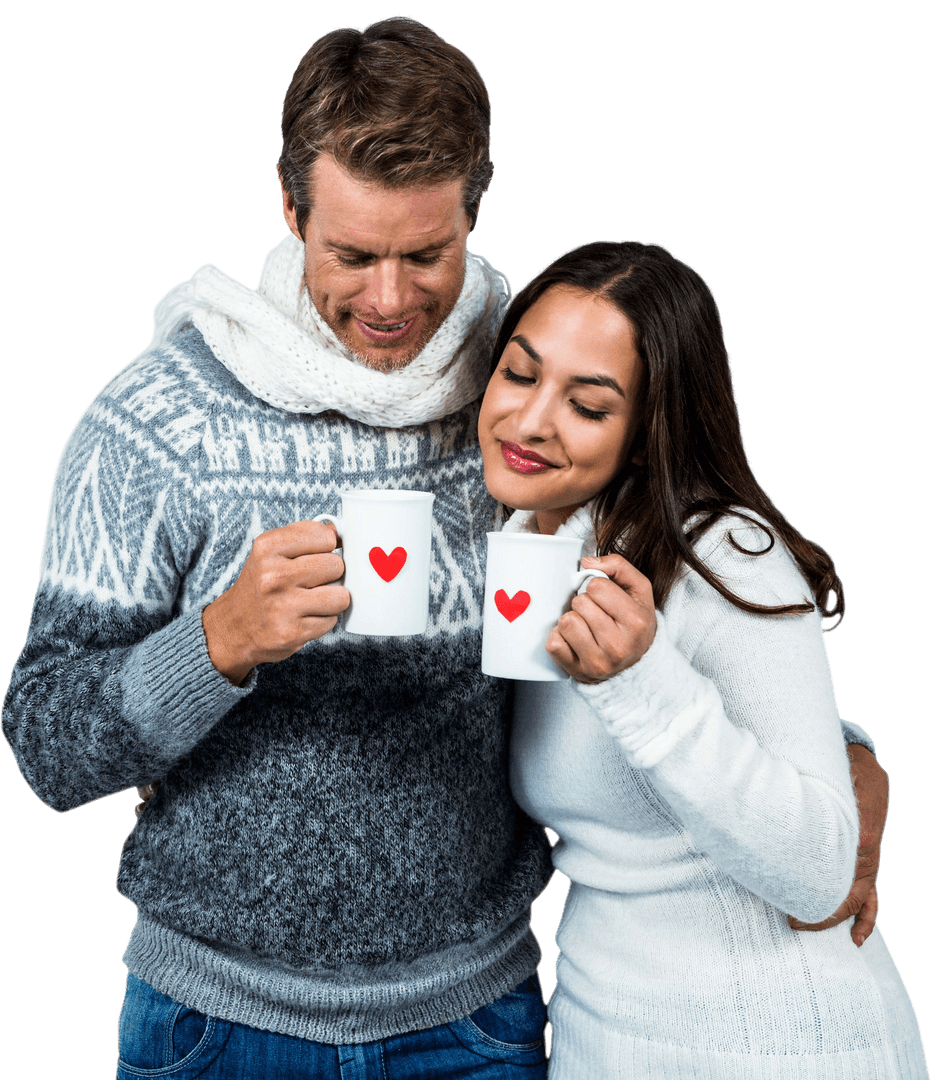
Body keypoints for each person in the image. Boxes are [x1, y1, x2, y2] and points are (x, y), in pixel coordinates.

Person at [1, 15, 887, 1078]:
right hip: (212, 1023)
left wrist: (841, 758)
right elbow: (48, 747)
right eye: (352, 254)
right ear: (288, 206)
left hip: (473, 1024)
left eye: (426, 253)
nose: (389, 299)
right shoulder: (155, 422)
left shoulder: (524, 389)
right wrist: (217, 643)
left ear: (475, 204)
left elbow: (678, 585)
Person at [477, 239, 928, 1077]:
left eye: (588, 403)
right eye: (518, 373)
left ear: (647, 432)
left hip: (774, 1041)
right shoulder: (524, 552)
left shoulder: (723, 553)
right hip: (604, 1030)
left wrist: (638, 682)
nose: (531, 421)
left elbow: (820, 869)